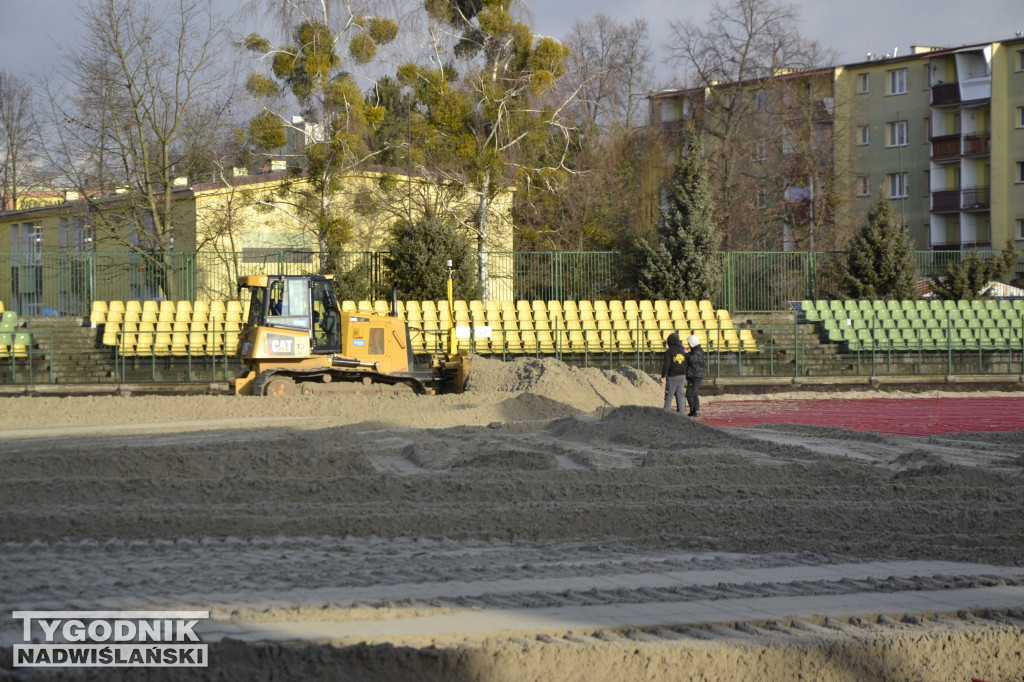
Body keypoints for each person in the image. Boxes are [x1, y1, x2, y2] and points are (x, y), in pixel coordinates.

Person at [658, 332, 687, 412]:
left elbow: (666, 365)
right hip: (682, 375)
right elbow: (685, 363)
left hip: (673, 376)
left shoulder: (669, 352)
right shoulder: (682, 351)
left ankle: (666, 413)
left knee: (669, 395)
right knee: (680, 395)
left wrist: (663, 376)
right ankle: (682, 414)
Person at [684, 334, 706, 417]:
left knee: (689, 394)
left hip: (695, 376)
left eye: (689, 343)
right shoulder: (696, 350)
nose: (688, 345)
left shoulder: (697, 351)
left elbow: (692, 359)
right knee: (694, 394)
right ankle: (695, 411)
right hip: (694, 375)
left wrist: (686, 354)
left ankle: (694, 411)